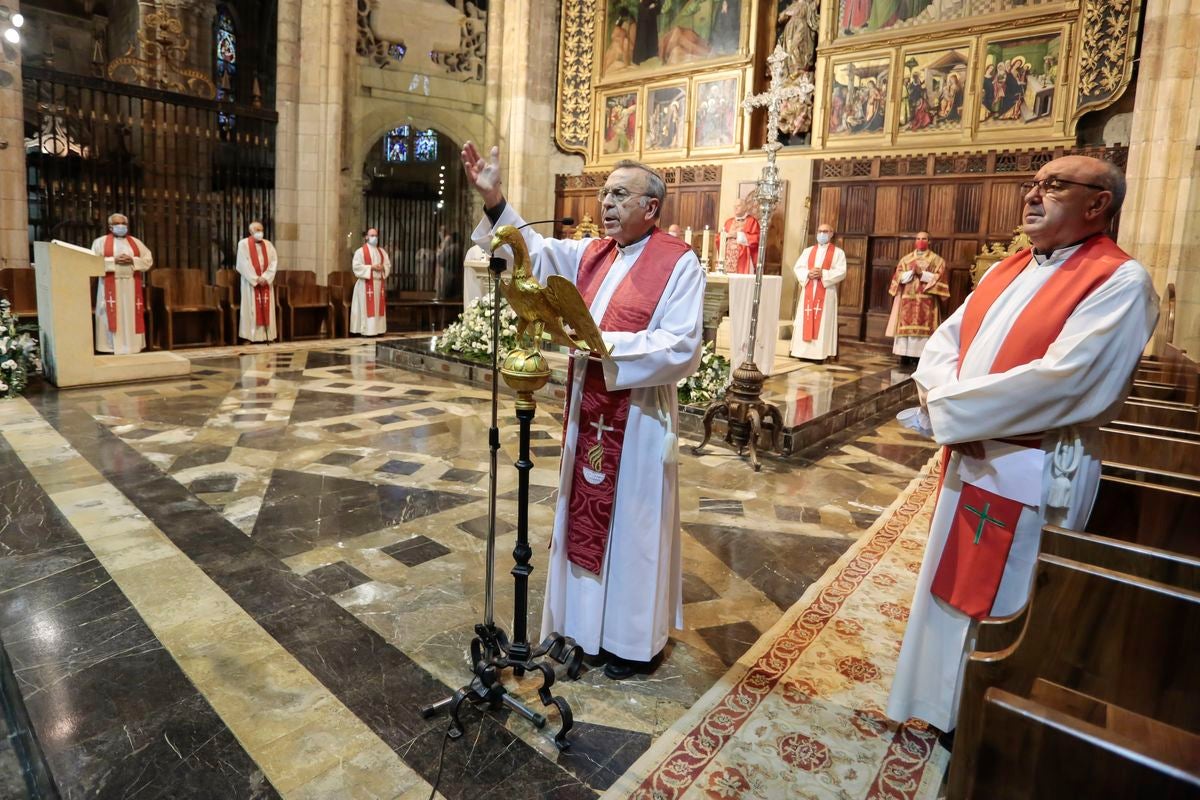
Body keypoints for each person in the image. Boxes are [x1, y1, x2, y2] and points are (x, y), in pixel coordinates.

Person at [886, 156, 1158, 740]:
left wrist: (950, 410)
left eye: (1053, 186)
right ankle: (941, 703)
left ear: (1098, 203)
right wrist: (943, 398)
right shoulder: (1007, 268)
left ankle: (990, 717)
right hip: (974, 451)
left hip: (1033, 466)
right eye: (1031, 185)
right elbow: (944, 341)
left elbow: (1069, 379)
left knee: (1007, 592)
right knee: (951, 577)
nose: (1032, 196)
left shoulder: (1119, 280)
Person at [461, 141, 705, 679]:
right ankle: (580, 629)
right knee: (584, 515)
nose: (607, 203)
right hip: (589, 406)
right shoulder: (592, 254)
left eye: (620, 194)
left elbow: (682, 344)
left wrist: (604, 346)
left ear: (652, 208)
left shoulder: (677, 263)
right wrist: (495, 197)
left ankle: (627, 642)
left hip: (637, 417)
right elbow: (530, 254)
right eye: (605, 193)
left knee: (633, 524)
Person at [90, 213, 153, 354]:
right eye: (118, 224)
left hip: (131, 285)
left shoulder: (136, 243)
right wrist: (114, 261)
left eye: (124, 224)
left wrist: (132, 260)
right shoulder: (100, 242)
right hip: (109, 285)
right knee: (110, 315)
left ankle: (132, 346)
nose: (121, 227)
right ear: (110, 226)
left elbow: (148, 260)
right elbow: (93, 262)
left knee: (131, 315)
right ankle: (109, 347)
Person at [886, 232, 949, 365]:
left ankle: (920, 357)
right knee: (905, 328)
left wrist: (922, 274)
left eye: (924, 239)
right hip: (907, 299)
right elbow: (898, 277)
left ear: (929, 241)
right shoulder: (906, 259)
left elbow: (940, 279)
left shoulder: (937, 260)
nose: (921, 241)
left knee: (924, 327)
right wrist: (911, 273)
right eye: (918, 239)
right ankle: (904, 354)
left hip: (927, 300)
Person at [789, 222, 846, 361]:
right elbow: (798, 268)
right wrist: (808, 273)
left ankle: (819, 354)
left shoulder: (838, 253)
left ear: (831, 234)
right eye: (820, 231)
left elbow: (841, 272)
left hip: (825, 292)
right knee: (805, 318)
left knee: (823, 321)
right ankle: (802, 352)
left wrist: (823, 274)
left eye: (825, 231)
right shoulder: (808, 251)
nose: (822, 234)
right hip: (809, 288)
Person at [235, 221, 278, 342]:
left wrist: (265, 277)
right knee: (251, 309)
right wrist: (255, 278)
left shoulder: (268, 245)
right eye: (257, 230)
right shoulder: (243, 244)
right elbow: (242, 264)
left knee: (267, 308)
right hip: (250, 284)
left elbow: (274, 262)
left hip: (265, 283)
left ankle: (267, 336)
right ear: (250, 231)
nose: (260, 232)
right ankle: (250, 337)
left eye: (261, 230)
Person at [351, 227, 391, 336]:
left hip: (378, 284)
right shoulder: (360, 252)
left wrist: (382, 267)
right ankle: (366, 331)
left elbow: (387, 265)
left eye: (376, 236)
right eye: (372, 235)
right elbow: (356, 267)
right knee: (366, 309)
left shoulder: (382, 252)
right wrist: (371, 267)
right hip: (365, 285)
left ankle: (378, 330)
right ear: (367, 237)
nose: (375, 238)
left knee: (378, 309)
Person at [721, 193, 760, 275]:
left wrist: (738, 235)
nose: (735, 207)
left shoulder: (751, 221)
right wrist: (725, 236)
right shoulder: (728, 222)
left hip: (743, 260)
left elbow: (756, 239)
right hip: (727, 260)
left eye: (738, 205)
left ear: (745, 207)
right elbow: (720, 239)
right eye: (734, 206)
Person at [435, 227, 464, 302]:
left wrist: (439, 251)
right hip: (457, 274)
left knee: (445, 297)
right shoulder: (460, 248)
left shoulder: (453, 247)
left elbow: (440, 259)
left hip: (448, 274)